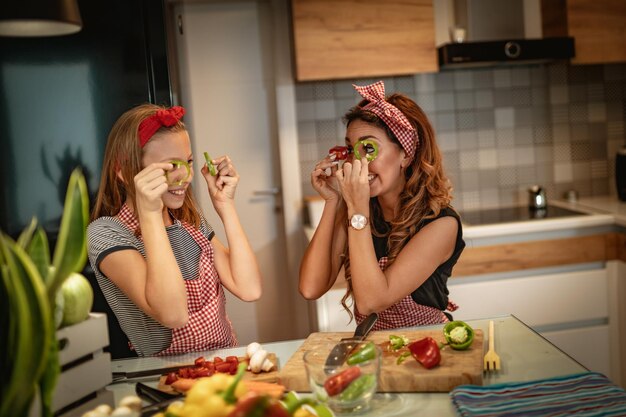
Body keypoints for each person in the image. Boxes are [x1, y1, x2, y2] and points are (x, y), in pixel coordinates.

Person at [87, 103, 262, 356]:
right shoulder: (106, 234)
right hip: (164, 378)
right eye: (170, 166)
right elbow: (174, 314)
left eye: (188, 161)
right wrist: (150, 214)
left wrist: (225, 206)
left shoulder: (190, 221)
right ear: (124, 171)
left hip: (223, 364)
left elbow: (249, 288)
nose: (186, 176)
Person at [299, 81, 465, 330]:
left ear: (406, 154)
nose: (357, 161)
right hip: (374, 350)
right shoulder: (360, 210)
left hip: (426, 346)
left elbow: (371, 302)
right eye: (350, 149)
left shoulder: (441, 224)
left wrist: (356, 210)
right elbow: (311, 287)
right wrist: (333, 201)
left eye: (368, 148)